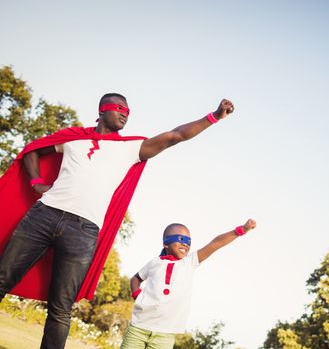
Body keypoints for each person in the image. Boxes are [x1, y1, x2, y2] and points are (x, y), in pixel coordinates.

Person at [0, 93, 235, 349]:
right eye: (119, 108)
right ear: (102, 110)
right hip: (44, 215)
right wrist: (36, 183)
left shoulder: (131, 148)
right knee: (2, 278)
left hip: (83, 231)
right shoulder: (73, 140)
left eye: (128, 111)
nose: (125, 113)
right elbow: (33, 151)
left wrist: (213, 116)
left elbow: (175, 135)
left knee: (61, 307)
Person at [121, 218, 257, 349]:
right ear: (165, 243)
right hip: (139, 326)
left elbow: (215, 244)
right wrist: (137, 294)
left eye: (188, 241)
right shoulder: (154, 263)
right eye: (180, 239)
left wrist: (241, 230)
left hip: (165, 334)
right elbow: (135, 279)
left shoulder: (189, 262)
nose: (185, 244)